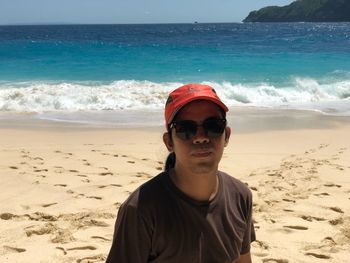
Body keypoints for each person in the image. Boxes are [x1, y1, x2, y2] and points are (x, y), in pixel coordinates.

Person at [106, 83, 255, 263]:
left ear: (227, 136)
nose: (201, 137)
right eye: (186, 129)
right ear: (169, 142)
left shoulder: (240, 196)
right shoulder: (140, 209)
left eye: (213, 126)